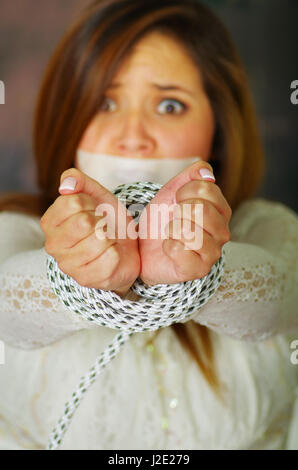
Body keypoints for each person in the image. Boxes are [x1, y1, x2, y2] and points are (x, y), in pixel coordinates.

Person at [0, 0, 297, 450]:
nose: (133, 135)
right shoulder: (16, 230)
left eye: (170, 104)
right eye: (105, 101)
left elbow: (279, 301)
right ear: (68, 117)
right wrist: (80, 276)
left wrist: (190, 271)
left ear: (216, 131)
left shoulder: (270, 228)